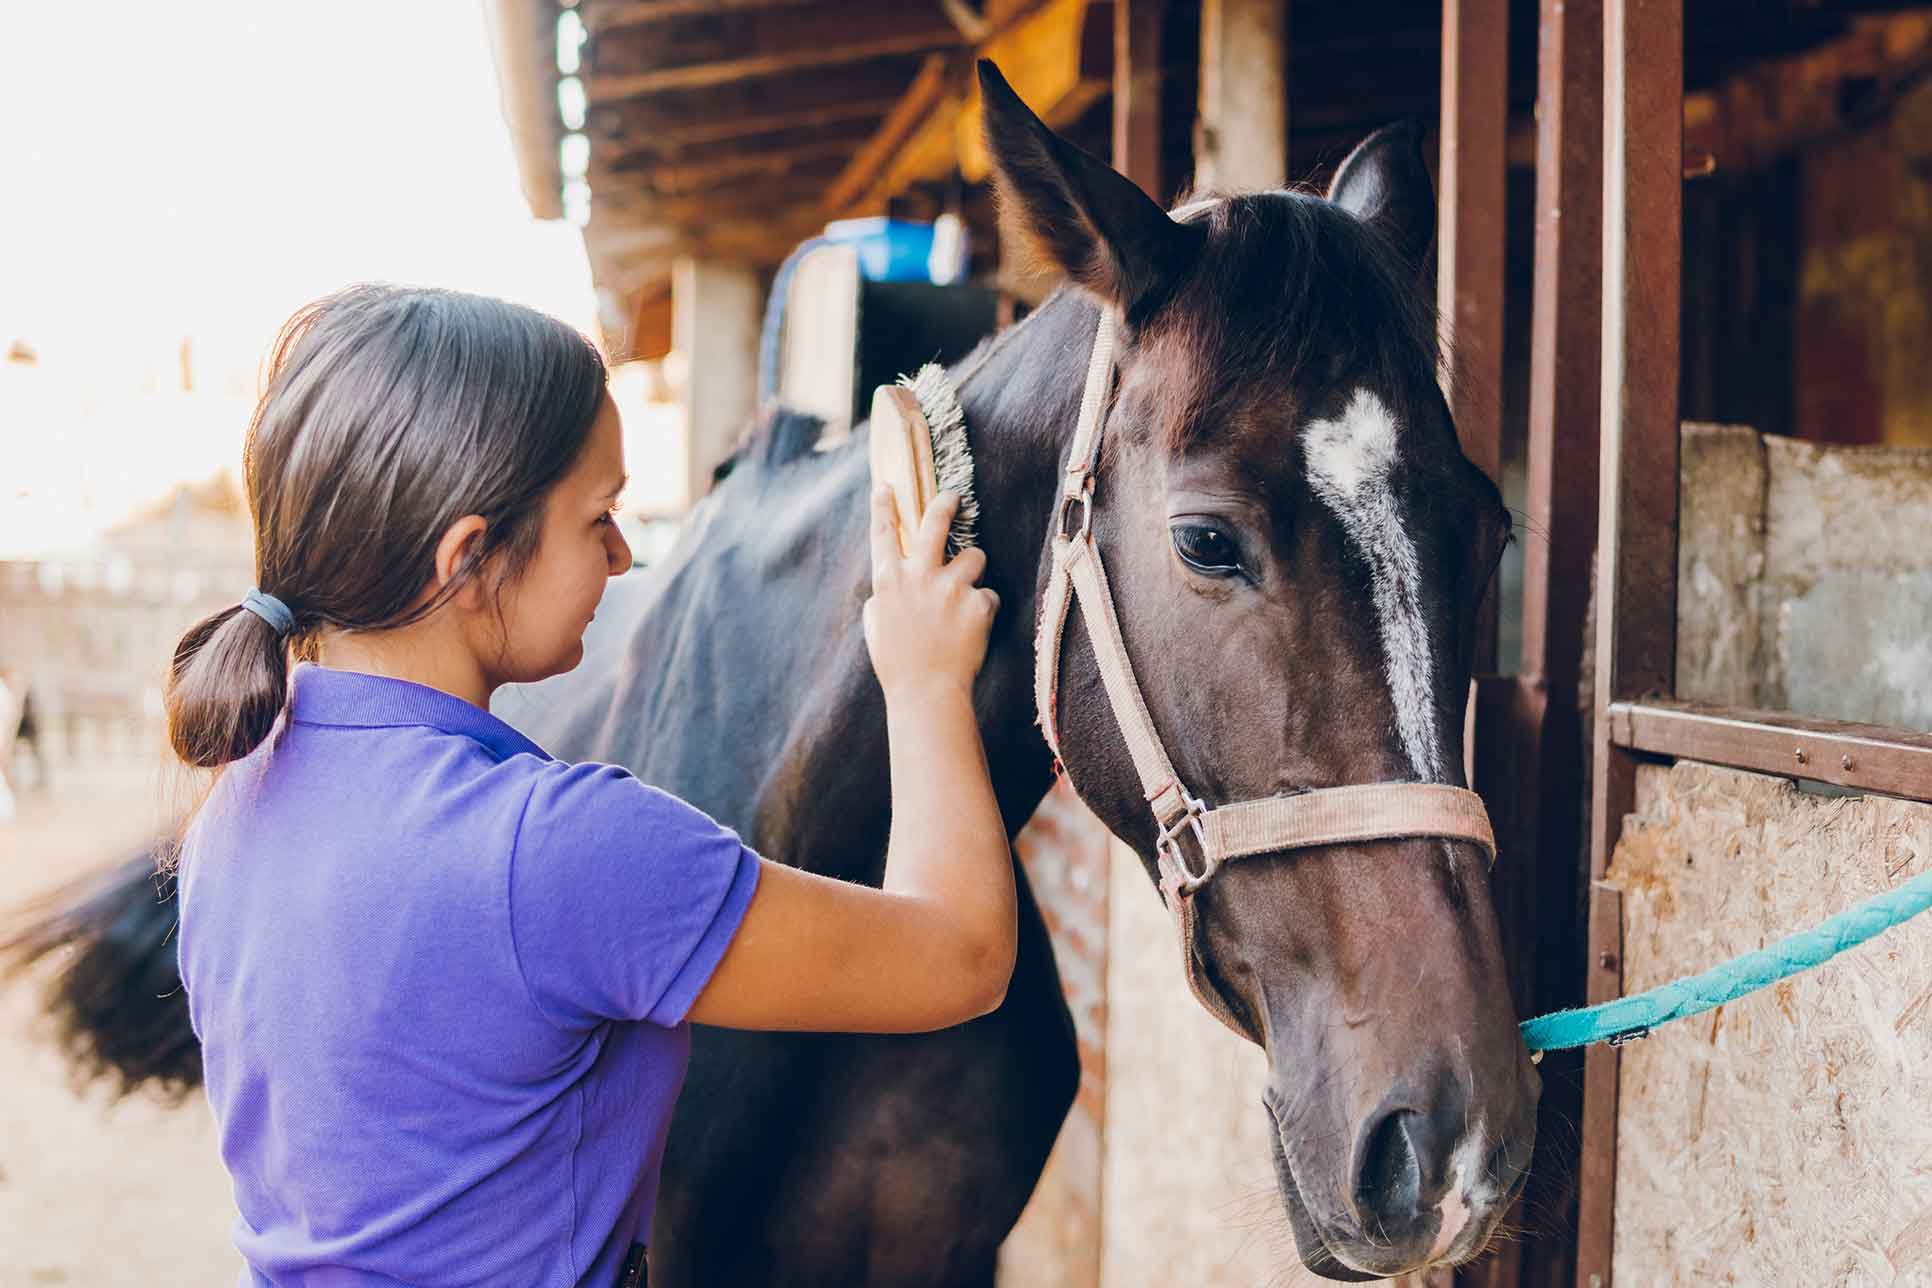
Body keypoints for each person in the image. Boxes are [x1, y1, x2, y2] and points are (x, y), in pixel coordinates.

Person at [170, 284, 1012, 1287]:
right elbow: (959, 956)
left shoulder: (240, 792)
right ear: (468, 557)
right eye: (599, 517)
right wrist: (922, 679)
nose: (621, 555)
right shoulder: (557, 848)